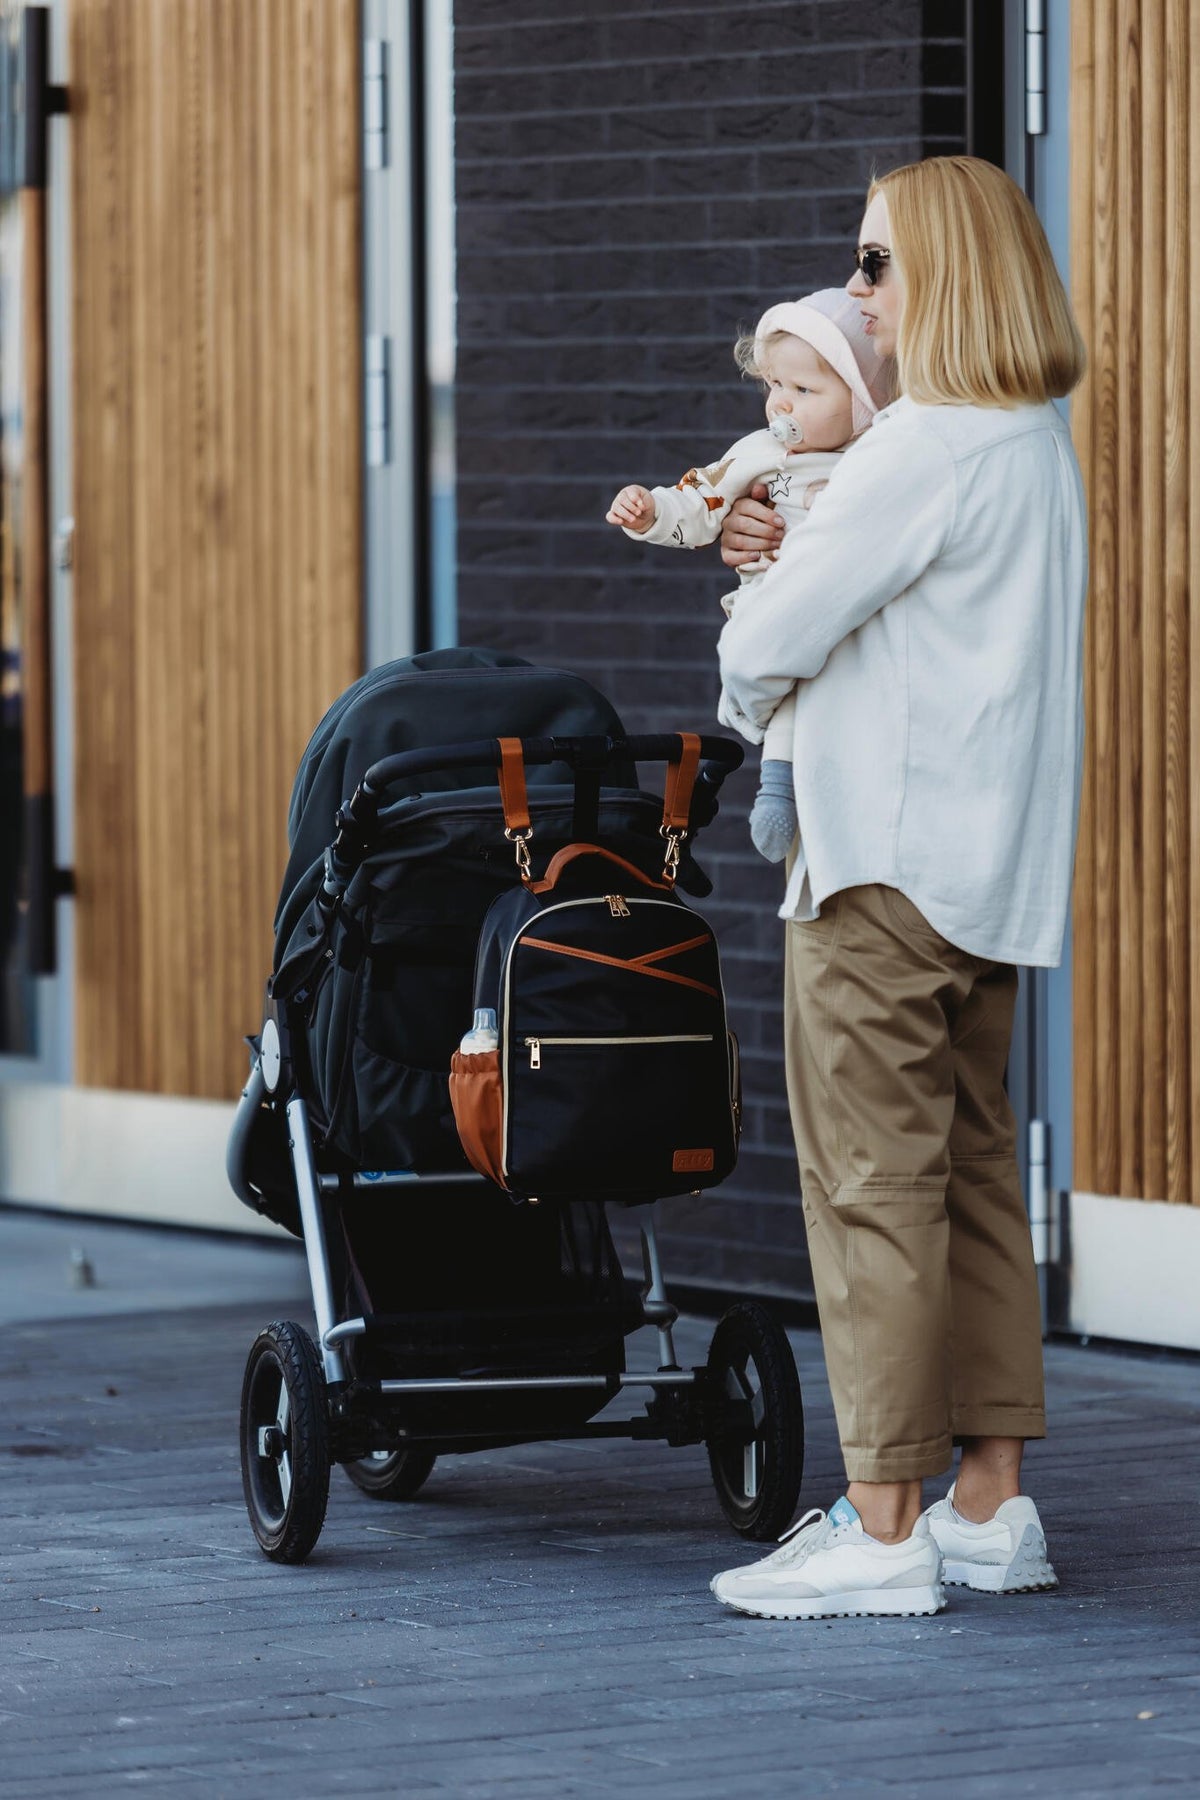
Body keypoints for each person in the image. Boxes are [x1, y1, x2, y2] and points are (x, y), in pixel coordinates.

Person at [708, 155, 1088, 1621]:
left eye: (875, 262)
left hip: (875, 870)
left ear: (942, 270)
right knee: (978, 1182)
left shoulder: (921, 447)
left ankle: (879, 1532)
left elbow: (765, 645)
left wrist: (758, 591)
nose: (857, 288)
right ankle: (988, 1507)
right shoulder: (1032, 441)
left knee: (870, 1189)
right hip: (988, 874)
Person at [605, 290, 891, 861]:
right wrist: (652, 512)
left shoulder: (881, 459)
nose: (781, 406)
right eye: (774, 386)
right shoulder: (759, 453)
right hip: (774, 606)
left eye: (804, 390)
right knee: (792, 690)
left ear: (865, 397)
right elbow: (702, 497)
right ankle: (776, 789)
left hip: (852, 621)